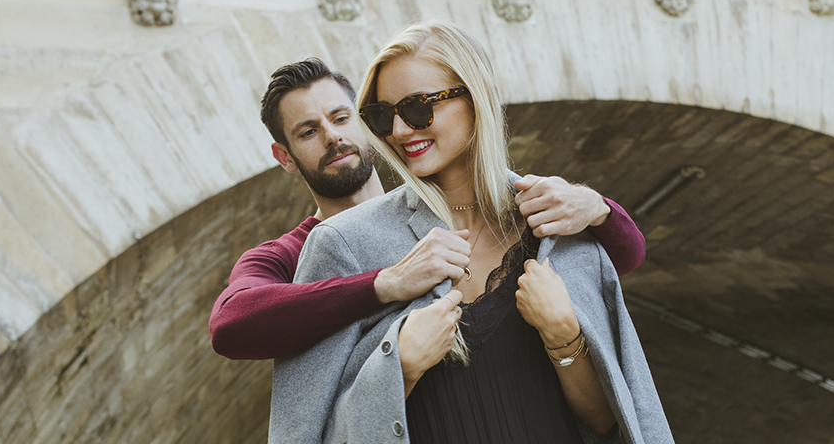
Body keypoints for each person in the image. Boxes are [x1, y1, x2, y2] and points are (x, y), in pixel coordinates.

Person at [260, 23, 703, 444]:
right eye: (383, 116)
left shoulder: (564, 228)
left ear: (477, 98)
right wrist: (397, 366)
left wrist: (564, 337)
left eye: (419, 107)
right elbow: (304, 442)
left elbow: (607, 424)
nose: (402, 131)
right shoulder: (347, 245)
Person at [209, 58, 645, 360]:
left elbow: (621, 259)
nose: (332, 137)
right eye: (307, 131)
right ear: (284, 156)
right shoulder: (289, 253)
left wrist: (596, 207)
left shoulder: (450, 206)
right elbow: (231, 323)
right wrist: (386, 283)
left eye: (341, 119)